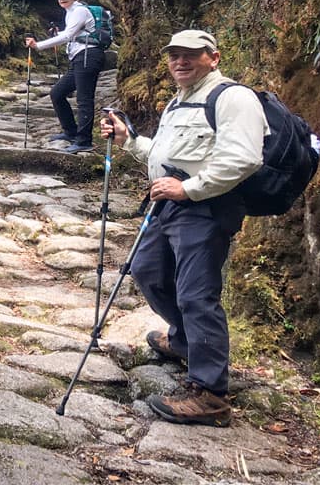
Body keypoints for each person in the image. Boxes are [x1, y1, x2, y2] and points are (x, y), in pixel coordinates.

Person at [100, 29, 267, 428]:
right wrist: (129, 140)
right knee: (148, 270)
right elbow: (166, 154)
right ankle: (185, 340)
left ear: (214, 57)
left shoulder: (233, 98)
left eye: (191, 55)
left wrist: (189, 189)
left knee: (197, 295)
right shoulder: (179, 102)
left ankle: (211, 394)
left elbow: (244, 158)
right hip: (170, 204)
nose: (181, 62)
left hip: (205, 208)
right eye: (174, 55)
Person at [25, 0, 103, 153]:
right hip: (79, 58)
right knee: (57, 93)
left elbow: (68, 36)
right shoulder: (71, 13)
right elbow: (71, 34)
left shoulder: (80, 11)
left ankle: (84, 141)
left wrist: (38, 46)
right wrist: (57, 34)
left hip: (88, 57)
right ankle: (71, 132)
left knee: (84, 99)